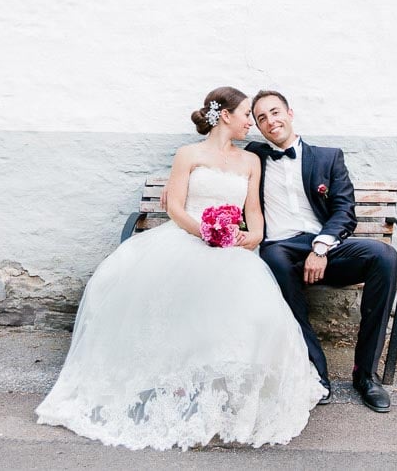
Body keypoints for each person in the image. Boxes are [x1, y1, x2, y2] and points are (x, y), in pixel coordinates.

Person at [35, 87, 325, 450]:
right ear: (226, 116)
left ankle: (223, 390)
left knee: (245, 298)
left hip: (231, 247)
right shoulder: (188, 154)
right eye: (247, 115)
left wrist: (253, 237)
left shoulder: (251, 160)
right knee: (178, 287)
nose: (251, 122)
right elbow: (174, 206)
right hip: (188, 237)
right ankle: (176, 383)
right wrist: (205, 232)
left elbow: (253, 212)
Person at [245, 90, 397, 413]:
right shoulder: (254, 158)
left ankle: (366, 375)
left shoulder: (328, 157)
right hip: (281, 251)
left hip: (325, 248)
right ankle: (316, 372)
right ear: (258, 128)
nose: (270, 121)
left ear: (290, 113)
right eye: (261, 118)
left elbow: (345, 210)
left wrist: (321, 246)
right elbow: (218, 165)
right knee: (271, 257)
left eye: (275, 112)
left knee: (385, 258)